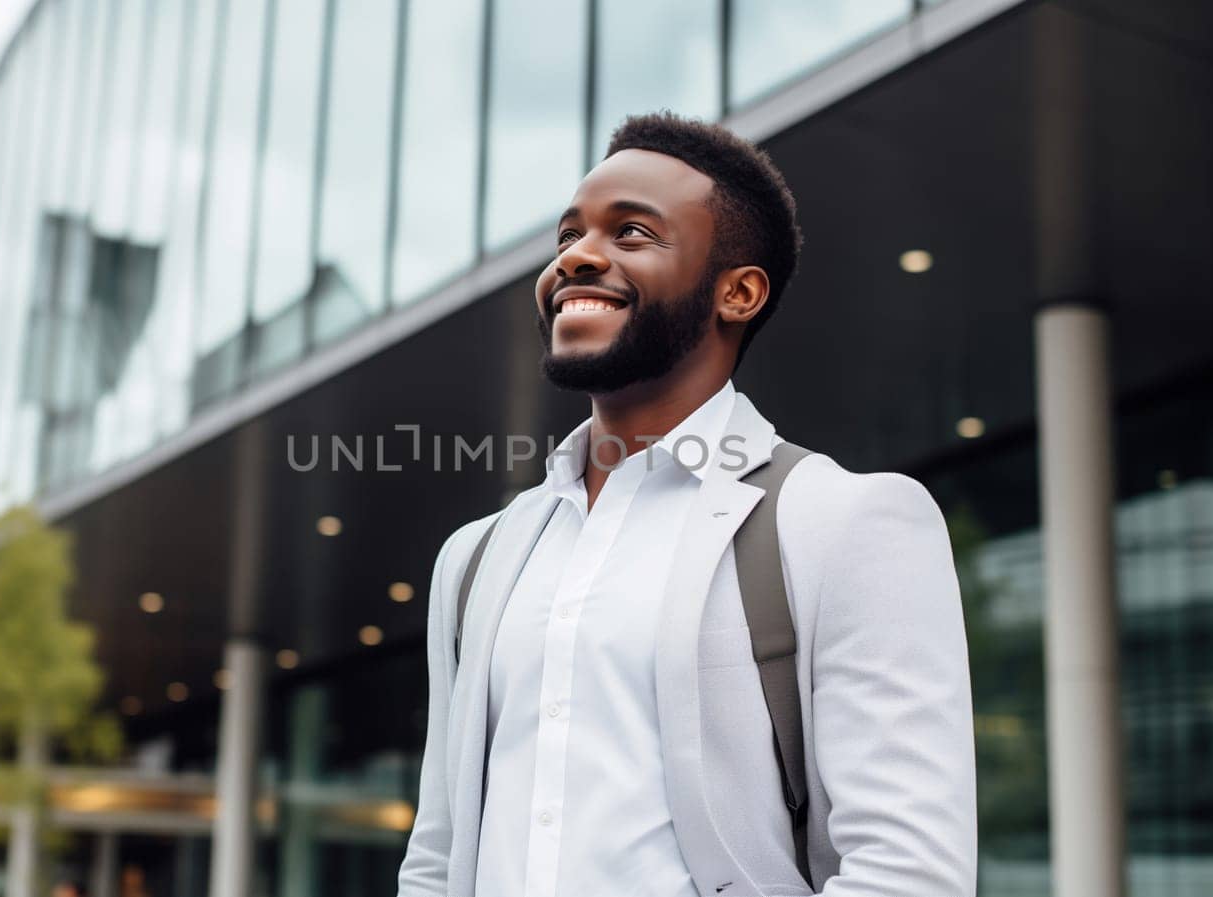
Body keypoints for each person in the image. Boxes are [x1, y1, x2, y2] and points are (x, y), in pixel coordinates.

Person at [396, 112, 976, 896]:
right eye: (568, 235)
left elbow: (908, 872)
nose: (577, 258)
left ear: (737, 292)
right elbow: (438, 856)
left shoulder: (844, 523)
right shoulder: (477, 556)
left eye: (632, 233)